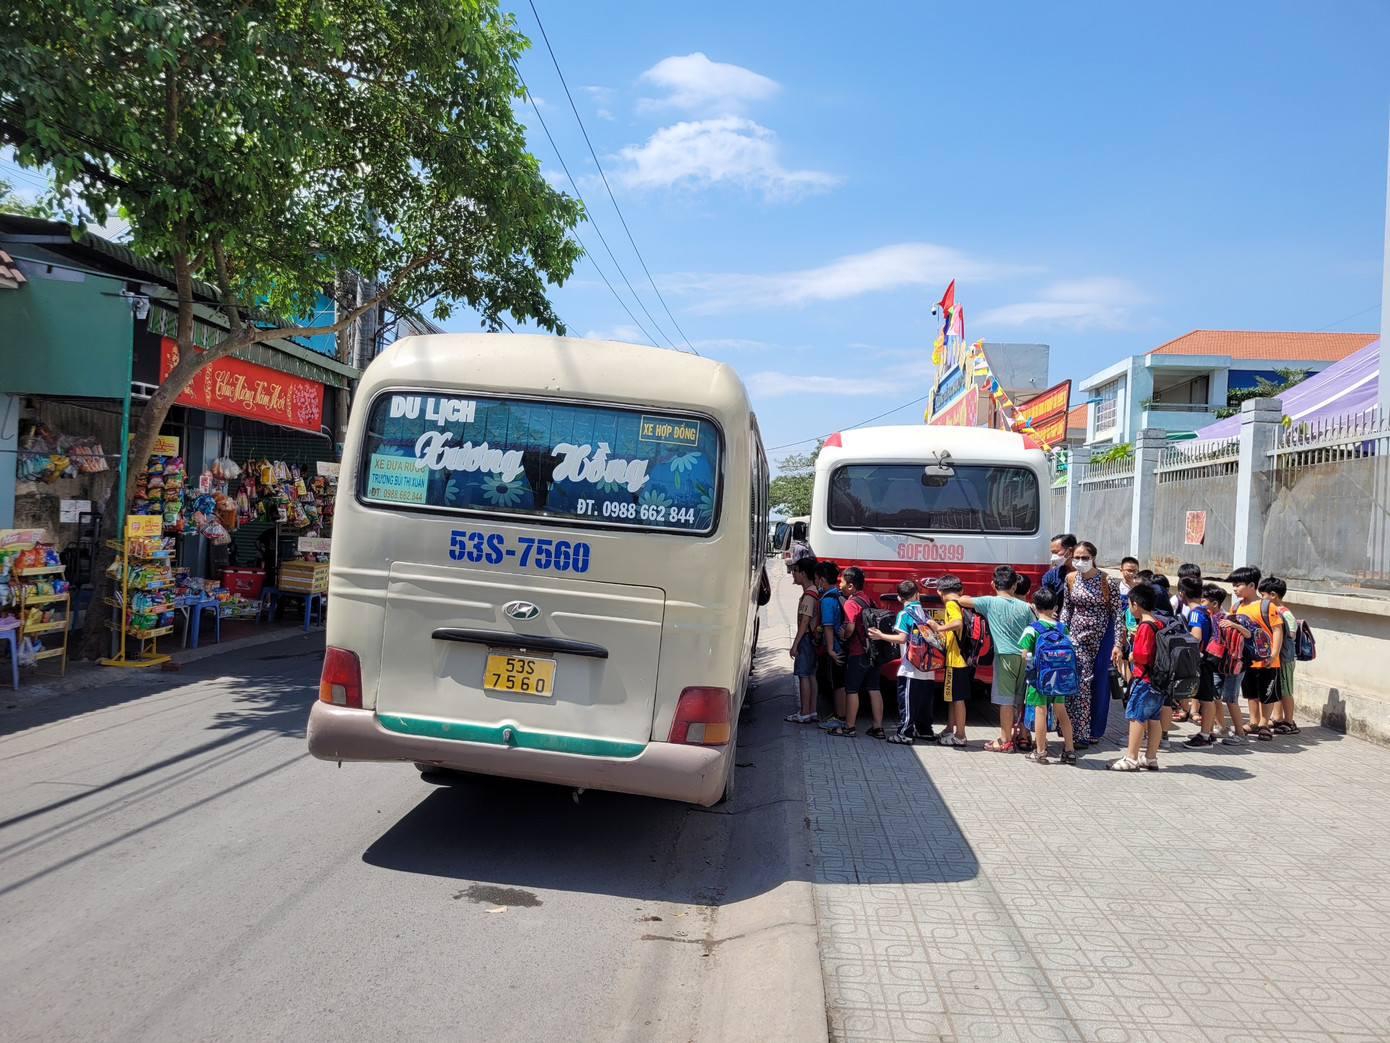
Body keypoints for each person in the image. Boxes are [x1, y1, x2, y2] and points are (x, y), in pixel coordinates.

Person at [959, 564, 1036, 752]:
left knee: (1005, 700)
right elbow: (1034, 631)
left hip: (1004, 657)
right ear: (1015, 586)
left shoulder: (989, 602)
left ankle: (1005, 740)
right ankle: (1024, 737)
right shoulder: (1026, 607)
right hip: (1026, 657)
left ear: (993, 584)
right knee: (1023, 700)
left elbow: (961, 600)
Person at [1059, 542, 1125, 746]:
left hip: (1101, 640)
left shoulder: (1108, 582)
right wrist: (1061, 633)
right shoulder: (1070, 579)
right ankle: (1077, 731)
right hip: (1076, 639)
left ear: (1094, 558)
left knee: (1098, 686)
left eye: (1085, 558)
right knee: (1079, 684)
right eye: (1076, 557)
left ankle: (1093, 730)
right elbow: (1066, 609)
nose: (1080, 561)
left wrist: (1117, 644)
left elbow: (1117, 614)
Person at [869, 579, 936, 744]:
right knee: (924, 702)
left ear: (899, 598)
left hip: (911, 667)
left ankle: (905, 733)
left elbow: (901, 638)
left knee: (907, 701)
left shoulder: (904, 614)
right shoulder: (924, 612)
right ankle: (925, 730)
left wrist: (880, 635)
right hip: (928, 666)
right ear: (918, 594)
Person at [1018, 586, 1077, 764]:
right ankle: (1069, 750)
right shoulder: (1062, 628)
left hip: (1039, 679)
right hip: (1061, 679)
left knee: (1040, 712)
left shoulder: (1032, 629)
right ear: (1055, 607)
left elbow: (1024, 653)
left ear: (1035, 606)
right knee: (1062, 713)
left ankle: (1041, 751)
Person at [1110, 582, 1164, 771]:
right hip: (1158, 681)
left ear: (1135, 604)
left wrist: (1131, 656)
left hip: (1144, 680)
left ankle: (1131, 758)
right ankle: (1151, 757)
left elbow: (1140, 655)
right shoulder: (1159, 622)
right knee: (1154, 719)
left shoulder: (1144, 626)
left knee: (1136, 717)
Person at [829, 566, 885, 738]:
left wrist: (843, 634)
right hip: (873, 653)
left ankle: (849, 727)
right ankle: (878, 727)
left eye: (843, 582)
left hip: (858, 652)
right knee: (874, 688)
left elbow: (851, 627)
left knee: (852, 689)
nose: (840, 585)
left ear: (851, 586)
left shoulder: (851, 603)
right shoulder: (868, 599)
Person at [1229, 567, 1284, 740]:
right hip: (1245, 658)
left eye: (1238, 585)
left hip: (1267, 660)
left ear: (1252, 585)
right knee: (1250, 692)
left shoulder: (1267, 606)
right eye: (1234, 585)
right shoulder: (1236, 607)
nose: (1235, 588)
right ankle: (1253, 722)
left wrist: (1273, 655)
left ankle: (1264, 724)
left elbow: (1277, 630)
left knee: (1266, 694)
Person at [929, 574, 971, 746]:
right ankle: (949, 729)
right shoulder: (961, 602)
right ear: (960, 589)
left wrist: (939, 627)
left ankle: (960, 735)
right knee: (953, 697)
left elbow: (957, 623)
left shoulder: (952, 604)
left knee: (957, 699)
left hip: (956, 659)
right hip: (960, 657)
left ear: (940, 591)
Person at [1179, 576, 1221, 747]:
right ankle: (1208, 732)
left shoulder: (1195, 613)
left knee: (1205, 699)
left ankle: (1204, 737)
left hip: (1201, 662)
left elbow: (1195, 637)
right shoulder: (1205, 611)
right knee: (1207, 697)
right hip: (1209, 660)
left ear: (1182, 594)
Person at [1258, 575, 1301, 735]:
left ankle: (1289, 722)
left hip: (1285, 659)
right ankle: (1278, 718)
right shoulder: (1273, 611)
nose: (1262, 599)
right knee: (1278, 690)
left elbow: (1290, 635)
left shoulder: (1285, 614)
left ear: (1273, 595)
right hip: (1276, 658)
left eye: (1263, 595)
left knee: (1286, 691)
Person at [813, 560, 847, 731]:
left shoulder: (827, 600)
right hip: (844, 646)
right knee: (841, 682)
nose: (816, 582)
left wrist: (830, 651)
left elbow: (827, 627)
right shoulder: (839, 594)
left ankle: (840, 718)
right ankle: (841, 715)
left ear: (822, 580)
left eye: (817, 579)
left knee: (838, 683)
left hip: (836, 648)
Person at [786, 558, 820, 723]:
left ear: (803, 574)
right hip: (814, 639)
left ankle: (804, 713)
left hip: (806, 639)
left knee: (803, 675)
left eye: (796, 571)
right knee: (811, 675)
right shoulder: (816, 591)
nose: (794, 574)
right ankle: (812, 711)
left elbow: (804, 622)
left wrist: (794, 645)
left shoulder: (809, 595)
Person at [1041, 533, 1078, 603]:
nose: (1053, 556)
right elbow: (1046, 602)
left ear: (1070, 551)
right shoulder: (1050, 576)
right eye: (1052, 553)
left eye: (1056, 552)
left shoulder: (1086, 574)